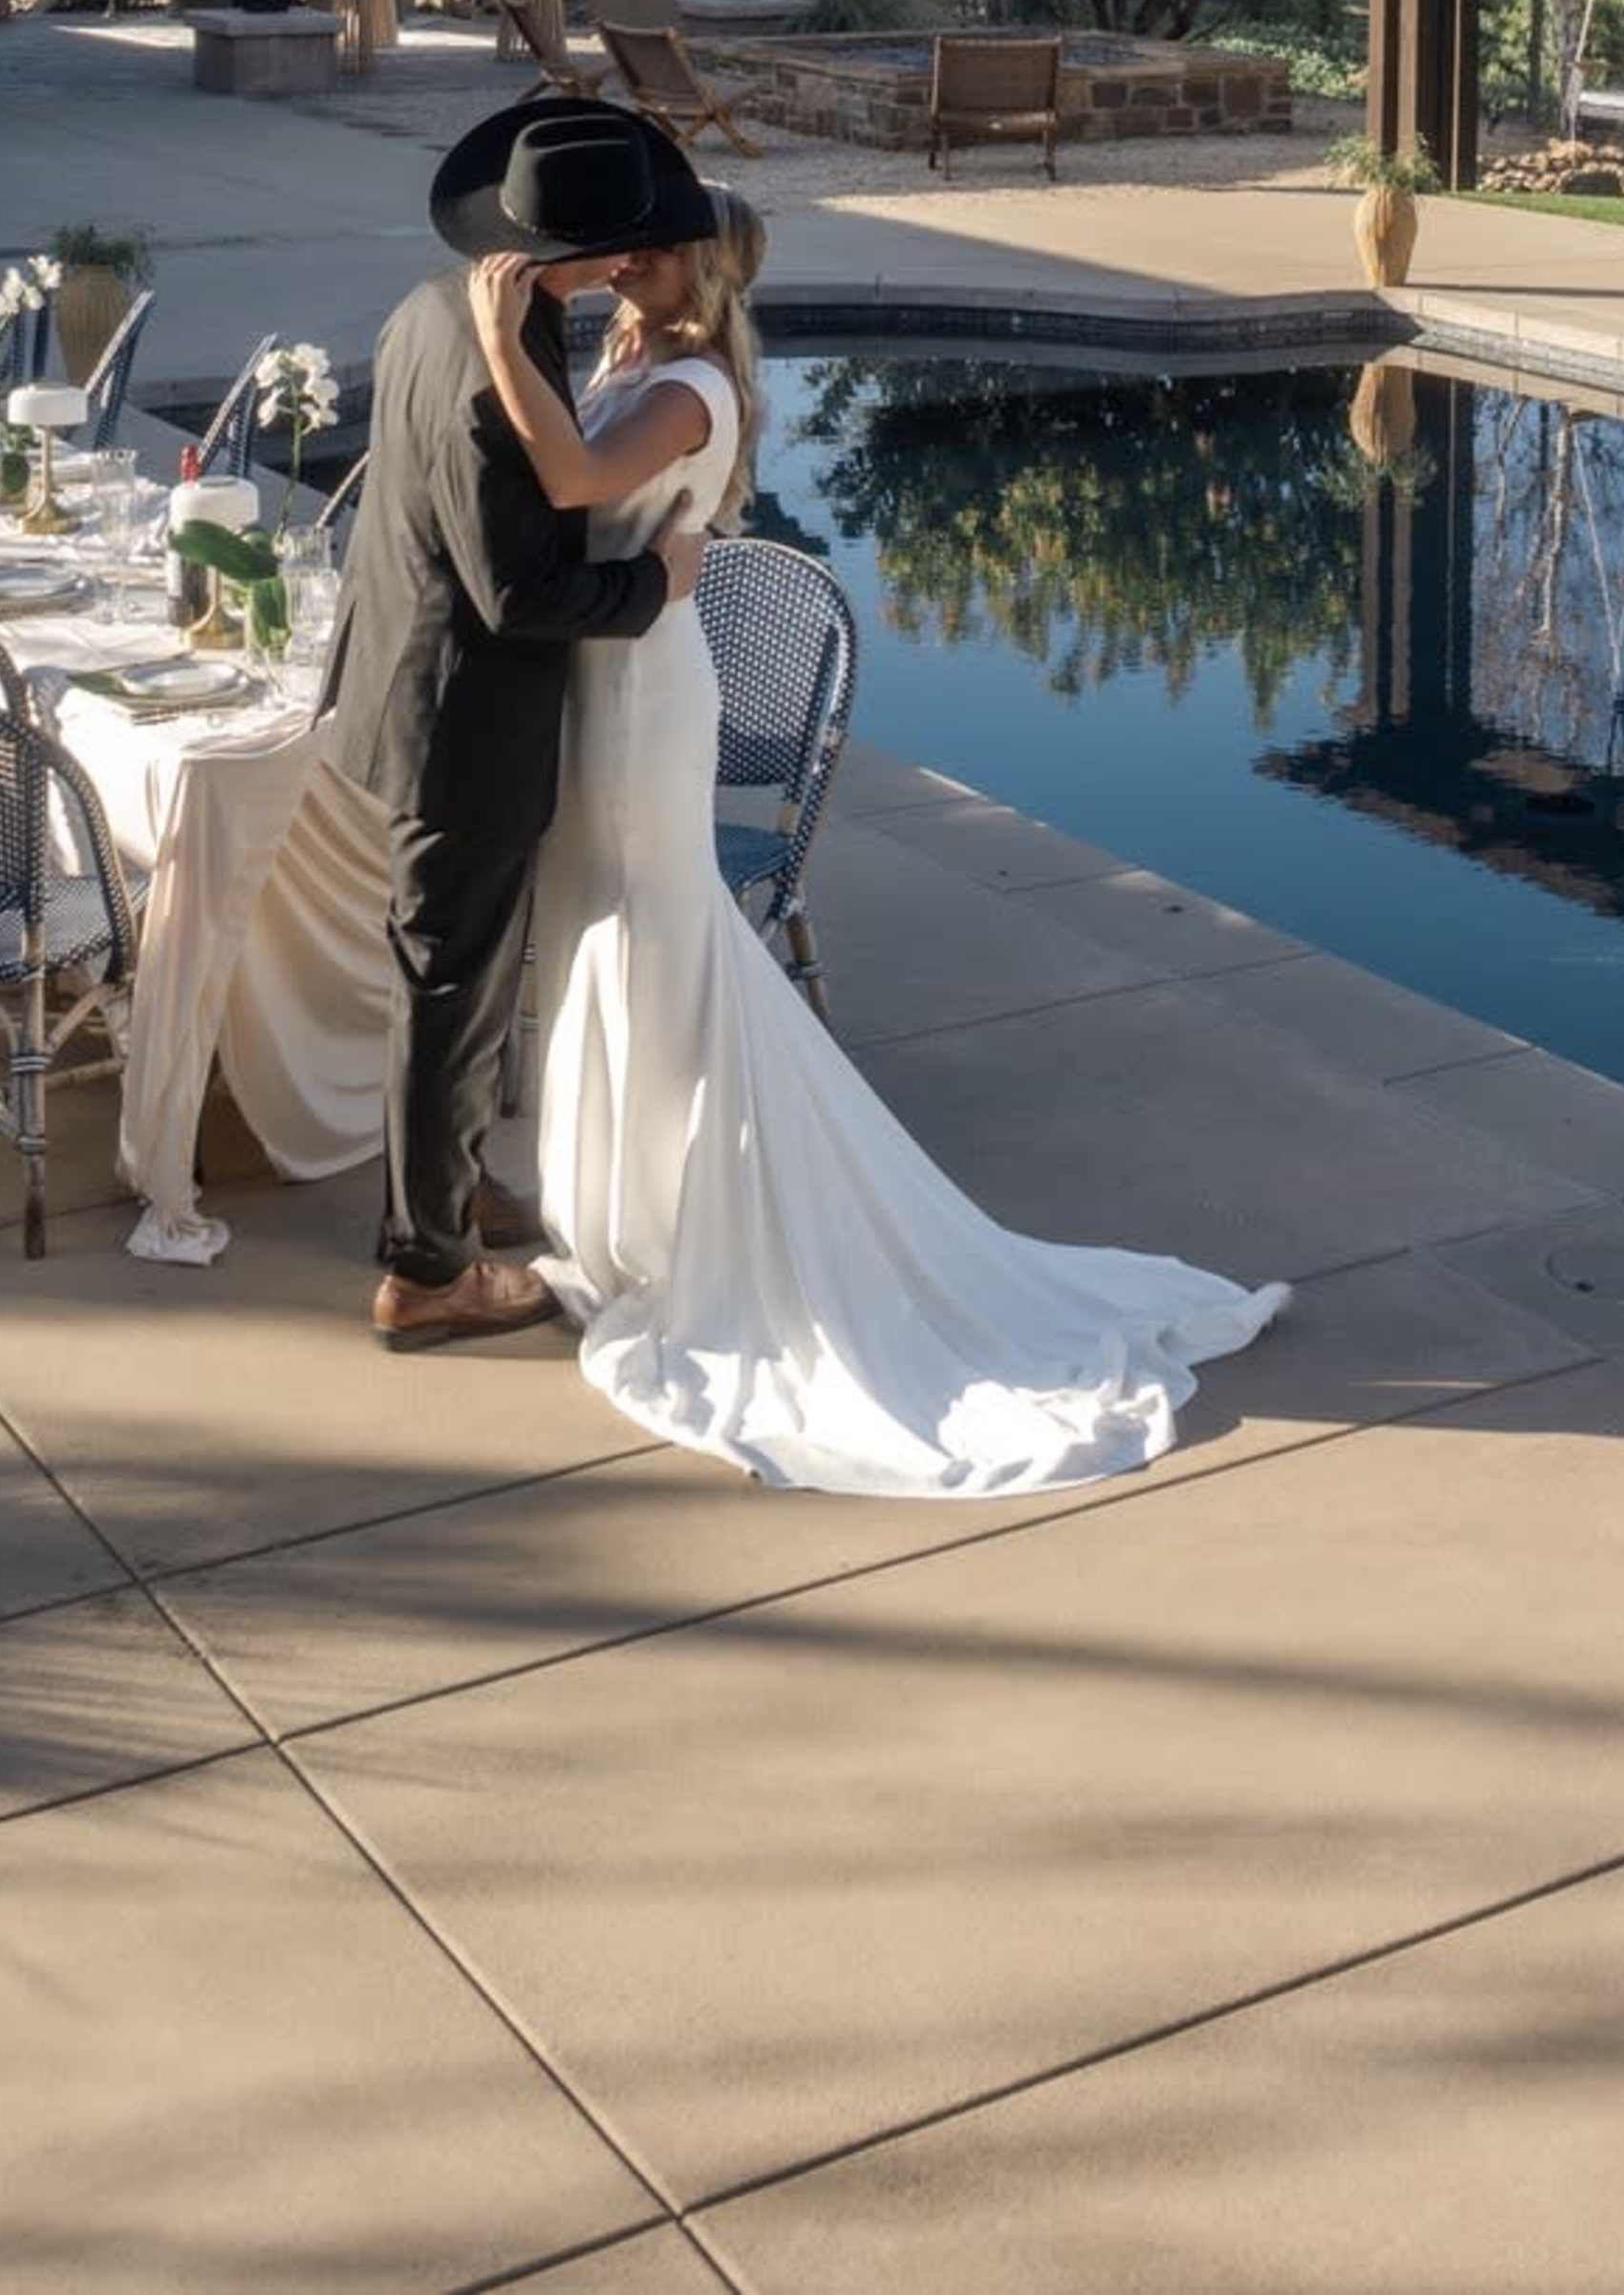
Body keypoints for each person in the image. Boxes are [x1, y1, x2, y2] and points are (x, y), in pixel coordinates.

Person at [470, 176, 1287, 1493]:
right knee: (603, 941)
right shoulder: (637, 352)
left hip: (644, 702)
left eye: (657, 246)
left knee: (662, 949)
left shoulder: (695, 394)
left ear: (704, 273)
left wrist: (501, 339)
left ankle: (698, 1235)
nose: (629, 253)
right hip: (603, 674)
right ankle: (625, 1215)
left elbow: (568, 477)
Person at [319, 89, 727, 1349]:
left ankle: (454, 1191)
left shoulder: (430, 309)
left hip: (401, 683)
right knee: (451, 983)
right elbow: (523, 591)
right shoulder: (512, 376)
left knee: (458, 975)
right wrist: (654, 582)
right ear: (601, 255)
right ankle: (428, 1269)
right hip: (466, 717)